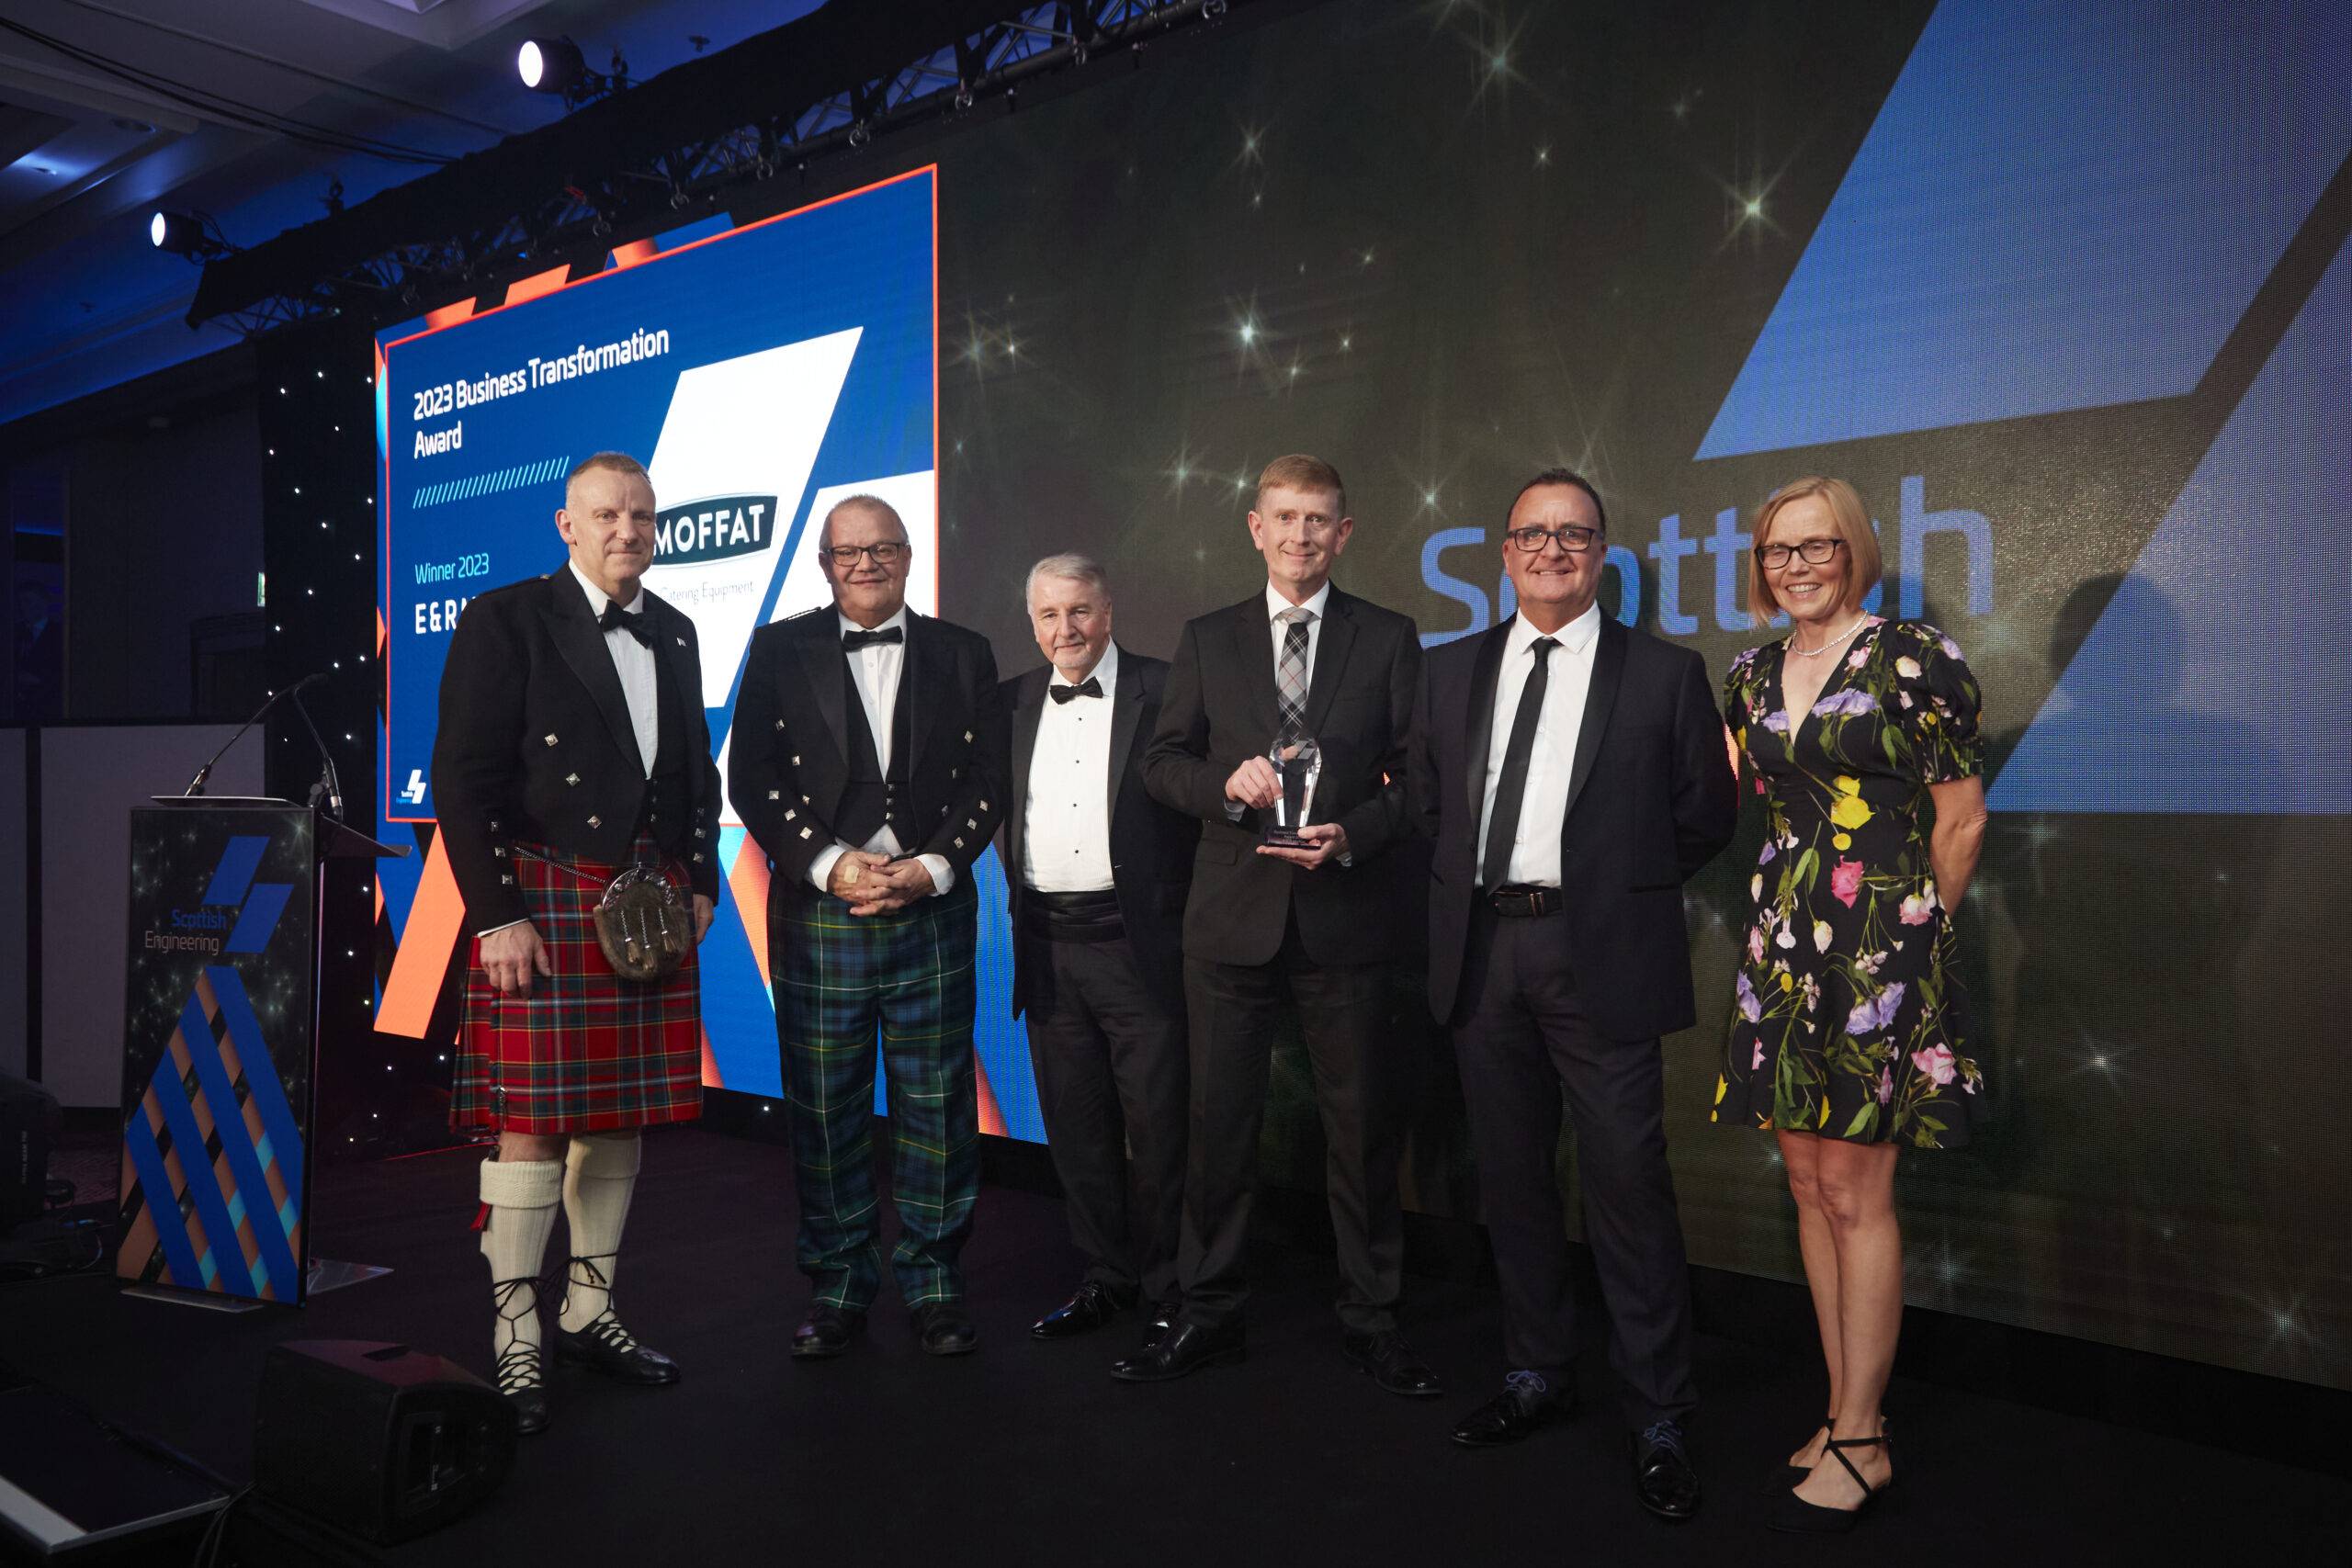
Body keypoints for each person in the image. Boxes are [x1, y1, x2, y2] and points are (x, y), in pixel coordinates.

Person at [1412, 468, 1735, 1520]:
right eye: (1533, 534)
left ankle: (1659, 1413)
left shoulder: (1666, 674)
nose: (1552, 549)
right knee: (1511, 1179)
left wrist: (1610, 892)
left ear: (1601, 555)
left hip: (1602, 955)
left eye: (1575, 534)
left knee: (1627, 1187)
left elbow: (1705, 815)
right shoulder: (1446, 671)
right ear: (1505, 554)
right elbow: (1426, 809)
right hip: (1482, 954)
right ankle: (1535, 1372)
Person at [1117, 454, 1436, 1396]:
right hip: (1229, 921)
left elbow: (1420, 782)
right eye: (1284, 517)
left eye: (1318, 519)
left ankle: (1372, 1318)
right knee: (1217, 1127)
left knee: (1361, 1133)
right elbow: (1160, 763)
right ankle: (1208, 1310)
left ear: (1344, 533)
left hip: (1346, 917)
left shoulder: (1388, 636)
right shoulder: (1207, 637)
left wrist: (1353, 834)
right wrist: (1224, 785)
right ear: (1255, 528)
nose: (1300, 535)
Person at [1714, 475, 1987, 1533]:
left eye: (1816, 546)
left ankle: (1865, 1439)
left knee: (1857, 1192)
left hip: (1883, 948)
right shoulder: (1748, 674)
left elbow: (1959, 822)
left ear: (1855, 550)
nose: (1797, 567)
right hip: (1782, 946)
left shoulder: (1914, 657)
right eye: (1778, 551)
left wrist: (1913, 940)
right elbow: (1721, 799)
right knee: (1807, 1185)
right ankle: (1838, 1413)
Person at [434, 452, 722, 1434]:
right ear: (567, 524)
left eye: (641, 516)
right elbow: (460, 779)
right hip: (546, 893)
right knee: (534, 1121)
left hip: (646, 896)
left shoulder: (674, 628)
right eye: (605, 515)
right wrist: (496, 914)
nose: (626, 531)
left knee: (619, 1115)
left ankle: (588, 1311)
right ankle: (517, 1331)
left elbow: (694, 769)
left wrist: (700, 878)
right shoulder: (507, 618)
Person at [729, 494, 1009, 1359]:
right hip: (822, 911)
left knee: (937, 1105)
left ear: (908, 555)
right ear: (825, 563)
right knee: (823, 1107)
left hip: (931, 906)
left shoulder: (964, 651)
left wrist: (932, 866)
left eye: (882, 548)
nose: (866, 564)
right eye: (848, 552)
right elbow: (752, 777)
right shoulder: (779, 648)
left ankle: (934, 1281)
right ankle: (840, 1282)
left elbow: (989, 779)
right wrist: (829, 863)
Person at [999, 554, 1197, 1340]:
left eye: (1079, 610)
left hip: (1138, 945)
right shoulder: (1011, 700)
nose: (1066, 629)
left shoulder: (1167, 687)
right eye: (1049, 615)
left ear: (1108, 611)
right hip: (1047, 946)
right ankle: (1106, 1276)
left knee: (1161, 1128)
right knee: (1076, 1129)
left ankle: (1174, 1287)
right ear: (1032, 624)